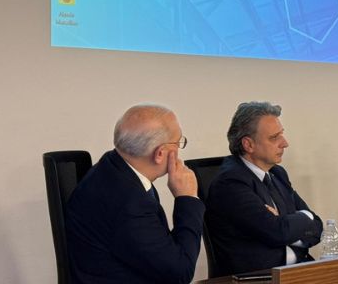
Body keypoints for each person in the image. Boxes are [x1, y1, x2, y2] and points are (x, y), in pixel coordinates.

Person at [65, 104, 203, 284]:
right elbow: (180, 272)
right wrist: (188, 198)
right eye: (177, 143)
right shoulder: (128, 203)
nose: (178, 150)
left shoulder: (112, 166)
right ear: (160, 153)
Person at [205, 102, 322, 276]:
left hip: (297, 271)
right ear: (248, 145)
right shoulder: (230, 183)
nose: (285, 143)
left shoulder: (277, 173)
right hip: (259, 278)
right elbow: (278, 232)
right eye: (274, 138)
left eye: (282, 134)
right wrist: (304, 218)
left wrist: (292, 222)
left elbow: (317, 227)